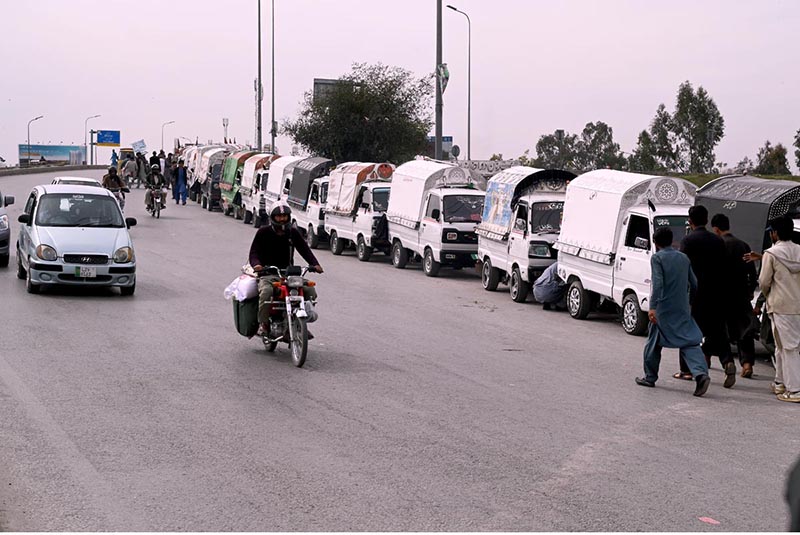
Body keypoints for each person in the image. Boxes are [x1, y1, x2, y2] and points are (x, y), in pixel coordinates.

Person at [636, 227, 711, 396]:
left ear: (655, 243)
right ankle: (700, 374)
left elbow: (658, 283)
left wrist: (653, 307)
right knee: (688, 341)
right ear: (671, 240)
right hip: (682, 307)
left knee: (653, 343)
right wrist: (688, 302)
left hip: (663, 308)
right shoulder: (683, 258)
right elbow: (694, 283)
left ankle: (650, 377)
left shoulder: (657, 258)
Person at [677, 205, 736, 388]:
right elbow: (725, 268)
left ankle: (686, 370)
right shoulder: (718, 241)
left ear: (690, 221)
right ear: (706, 219)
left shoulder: (688, 241)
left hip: (695, 295)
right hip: (716, 293)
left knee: (688, 332)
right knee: (718, 330)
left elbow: (682, 269)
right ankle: (728, 361)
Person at [248, 204, 324, 335]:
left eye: (284, 216)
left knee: (309, 290)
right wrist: (257, 265)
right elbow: (253, 252)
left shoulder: (292, 232)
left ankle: (301, 322)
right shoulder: (263, 232)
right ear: (273, 217)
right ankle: (264, 324)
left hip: (288, 274)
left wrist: (315, 264)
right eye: (279, 216)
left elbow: (304, 249)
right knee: (266, 292)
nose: (282, 219)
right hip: (268, 274)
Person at [711, 213, 759, 378]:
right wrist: (751, 289)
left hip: (720, 296)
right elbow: (752, 272)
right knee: (744, 330)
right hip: (741, 295)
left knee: (718, 329)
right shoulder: (743, 245)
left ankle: (716, 359)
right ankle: (747, 364)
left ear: (716, 229)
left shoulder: (716, 245)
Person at [758, 216, 800, 402]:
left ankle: (795, 390)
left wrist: (767, 296)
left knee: (788, 348)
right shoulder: (799, 251)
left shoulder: (772, 254)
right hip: (797, 305)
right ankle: (780, 382)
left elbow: (764, 282)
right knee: (783, 346)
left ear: (775, 233)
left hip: (780, 305)